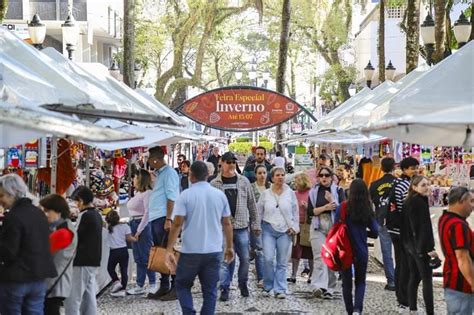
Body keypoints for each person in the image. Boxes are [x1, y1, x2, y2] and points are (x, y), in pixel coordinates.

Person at [165, 161, 235, 315]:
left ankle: (189, 312)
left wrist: (169, 249)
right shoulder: (219, 195)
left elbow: (177, 224)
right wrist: (229, 247)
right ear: (208, 175)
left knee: (182, 285)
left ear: (191, 175)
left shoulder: (186, 195)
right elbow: (227, 223)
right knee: (210, 290)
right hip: (213, 250)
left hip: (190, 251)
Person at [0, 174, 57, 314]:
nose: (1, 200)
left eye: (2, 195)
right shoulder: (39, 214)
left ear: (12, 193)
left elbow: (9, 251)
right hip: (38, 278)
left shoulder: (13, 217)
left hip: (16, 278)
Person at [211, 151, 261, 301]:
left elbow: (252, 205)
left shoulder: (244, 181)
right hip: (222, 229)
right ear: (222, 163)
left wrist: (255, 223)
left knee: (245, 258)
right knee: (224, 260)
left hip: (241, 227)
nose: (231, 164)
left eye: (233, 162)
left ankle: (242, 283)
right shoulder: (214, 184)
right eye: (228, 162)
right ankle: (225, 287)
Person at [257, 167, 299, 299]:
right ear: (272, 178)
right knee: (268, 258)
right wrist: (256, 226)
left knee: (282, 261)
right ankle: (268, 285)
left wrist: (295, 227)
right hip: (268, 228)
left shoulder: (290, 193)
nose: (280, 177)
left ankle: (280, 288)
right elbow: (259, 211)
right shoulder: (266, 194)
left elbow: (295, 212)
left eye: (282, 175)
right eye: (277, 175)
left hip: (285, 230)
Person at [339, 179, 379, 315]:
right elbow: (375, 232)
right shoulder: (367, 209)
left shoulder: (343, 207)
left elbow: (335, 227)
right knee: (360, 281)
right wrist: (364, 232)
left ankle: (349, 311)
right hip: (361, 249)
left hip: (344, 249)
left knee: (346, 282)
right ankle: (357, 309)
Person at [147, 146, 180, 301]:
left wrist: (168, 219)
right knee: (161, 253)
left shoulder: (169, 174)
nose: (147, 160)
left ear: (155, 159)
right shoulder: (160, 174)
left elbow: (171, 197)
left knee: (169, 253)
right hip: (157, 217)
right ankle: (165, 285)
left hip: (163, 218)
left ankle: (176, 287)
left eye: (149, 157)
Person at [386, 156, 419, 311]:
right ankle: (403, 298)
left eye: (416, 168)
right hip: (401, 230)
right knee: (405, 264)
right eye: (412, 168)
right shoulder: (405, 185)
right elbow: (405, 208)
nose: (415, 170)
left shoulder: (397, 182)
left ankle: (401, 297)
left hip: (395, 229)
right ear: (404, 169)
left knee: (401, 263)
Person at [307, 166, 345, 299]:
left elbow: (342, 209)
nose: (324, 177)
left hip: (333, 227)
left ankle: (330, 287)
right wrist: (325, 207)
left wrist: (331, 201)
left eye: (326, 175)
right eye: (321, 175)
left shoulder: (339, 191)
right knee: (319, 257)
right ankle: (318, 286)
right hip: (318, 225)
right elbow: (311, 211)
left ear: (331, 177)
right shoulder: (313, 192)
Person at [64, 186, 103, 315]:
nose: (76, 205)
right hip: (93, 259)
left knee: (73, 298)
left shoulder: (85, 215)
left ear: (80, 200)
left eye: (76, 202)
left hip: (82, 260)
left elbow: (76, 237)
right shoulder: (96, 214)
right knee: (88, 296)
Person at [402, 175, 437, 315]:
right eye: (423, 185)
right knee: (427, 279)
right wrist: (428, 249)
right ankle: (430, 312)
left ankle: (413, 309)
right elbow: (422, 228)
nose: (427, 187)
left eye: (428, 184)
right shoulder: (419, 202)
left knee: (415, 277)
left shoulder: (409, 201)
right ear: (414, 187)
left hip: (410, 246)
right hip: (419, 247)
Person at [439, 187, 474, 315]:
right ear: (461, 201)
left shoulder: (445, 219)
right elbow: (463, 258)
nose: (473, 206)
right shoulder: (458, 225)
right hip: (460, 284)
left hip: (451, 279)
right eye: (471, 201)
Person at [40, 194, 77, 315]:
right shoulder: (64, 228)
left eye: (47, 211)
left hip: (54, 284)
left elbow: (41, 251)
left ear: (58, 211)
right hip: (57, 283)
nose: (45, 214)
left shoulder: (63, 232)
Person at [126, 169, 157, 295]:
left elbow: (147, 212)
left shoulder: (147, 193)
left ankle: (153, 282)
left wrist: (139, 230)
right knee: (138, 256)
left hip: (141, 225)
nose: (133, 179)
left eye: (135, 177)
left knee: (146, 255)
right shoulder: (137, 193)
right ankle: (140, 283)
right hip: (133, 223)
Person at [369, 157, 396, 291]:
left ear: (381, 168)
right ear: (394, 167)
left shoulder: (374, 185)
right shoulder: (399, 183)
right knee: (399, 251)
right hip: (397, 221)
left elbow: (372, 204)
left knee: (387, 252)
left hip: (381, 220)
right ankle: (400, 278)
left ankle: (391, 281)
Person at [288, 172, 313, 284]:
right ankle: (293, 274)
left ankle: (311, 275)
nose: (295, 184)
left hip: (308, 225)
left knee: (309, 252)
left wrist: (308, 207)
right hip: (297, 226)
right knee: (296, 251)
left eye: (297, 181)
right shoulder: (293, 194)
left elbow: (314, 209)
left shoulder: (311, 194)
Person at [105, 211, 137, 297]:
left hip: (113, 251)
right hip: (123, 250)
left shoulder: (108, 227)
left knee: (110, 268)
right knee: (123, 270)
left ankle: (116, 281)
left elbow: (102, 222)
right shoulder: (125, 226)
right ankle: (123, 289)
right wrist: (136, 239)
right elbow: (129, 238)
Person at [251, 165, 271, 288]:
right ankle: (261, 278)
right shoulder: (252, 188)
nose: (262, 175)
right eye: (259, 173)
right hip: (256, 222)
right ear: (256, 174)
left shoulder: (271, 187)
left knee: (268, 252)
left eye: (264, 172)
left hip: (271, 223)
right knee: (259, 250)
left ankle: (267, 276)